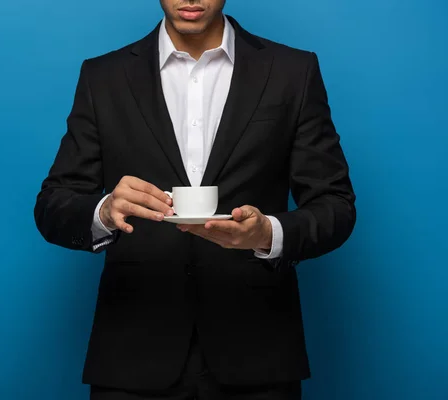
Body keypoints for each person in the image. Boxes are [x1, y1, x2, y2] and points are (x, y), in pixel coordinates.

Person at [34, 1, 356, 398]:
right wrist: (104, 210)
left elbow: (336, 205)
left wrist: (267, 234)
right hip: (132, 357)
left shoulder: (293, 71)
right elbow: (53, 205)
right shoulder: (103, 76)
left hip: (259, 354)